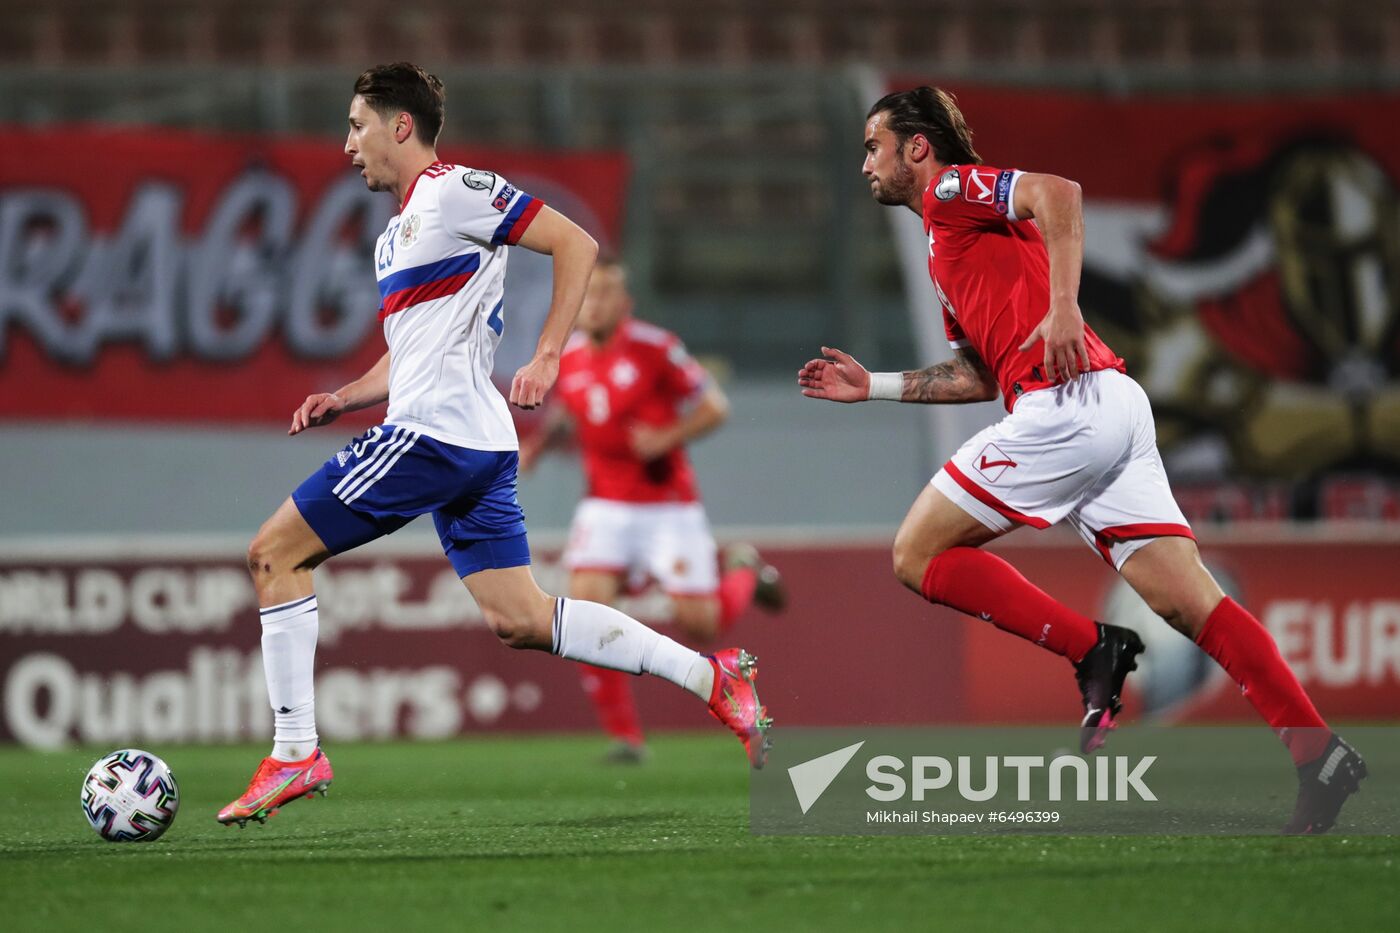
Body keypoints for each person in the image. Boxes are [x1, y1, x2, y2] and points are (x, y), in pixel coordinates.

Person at [797, 86, 1365, 834]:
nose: (865, 161)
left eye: (874, 145)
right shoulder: (948, 249)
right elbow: (978, 374)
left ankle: (1093, 648)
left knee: (916, 553)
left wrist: (1065, 306)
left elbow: (1057, 192)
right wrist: (874, 386)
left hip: (1066, 408)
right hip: (1110, 407)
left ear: (917, 147)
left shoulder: (951, 193)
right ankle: (1319, 754)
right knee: (1190, 603)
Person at [218, 63, 771, 828]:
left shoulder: (455, 190)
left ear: (399, 126)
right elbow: (410, 351)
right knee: (521, 618)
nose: (347, 144)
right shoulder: (396, 238)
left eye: (356, 125)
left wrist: (548, 352)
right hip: (469, 444)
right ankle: (711, 677)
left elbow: (574, 241)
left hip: (432, 436)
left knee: (274, 554)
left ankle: (293, 750)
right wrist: (344, 395)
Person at [520, 258, 786, 762]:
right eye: (587, 295)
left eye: (604, 295)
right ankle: (626, 738)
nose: (593, 304)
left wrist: (667, 436)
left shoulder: (655, 348)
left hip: (668, 507)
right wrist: (538, 446)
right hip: (604, 507)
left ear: (624, 304)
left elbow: (715, 407)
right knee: (586, 618)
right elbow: (572, 410)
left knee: (702, 626)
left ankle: (743, 569)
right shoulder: (569, 358)